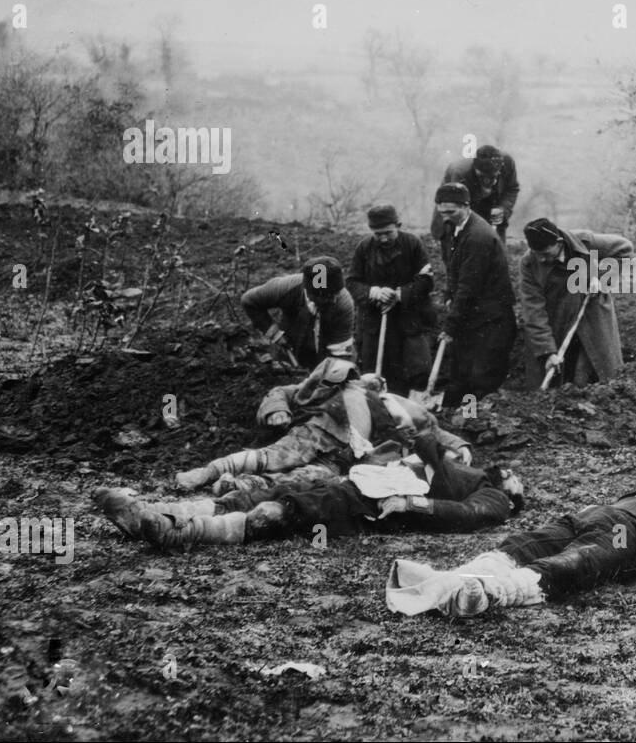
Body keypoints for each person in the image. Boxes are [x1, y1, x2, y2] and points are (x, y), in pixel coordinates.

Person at [385, 412, 636, 619]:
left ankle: (485, 594)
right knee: (523, 544)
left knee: (574, 563)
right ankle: (449, 582)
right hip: (603, 514)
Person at [94, 431, 524, 551]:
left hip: (369, 503)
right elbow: (428, 435)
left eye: (519, 484)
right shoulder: (458, 463)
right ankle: (149, 513)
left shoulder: (493, 495)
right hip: (358, 480)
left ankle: (181, 531)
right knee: (257, 495)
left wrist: (413, 502)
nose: (516, 477)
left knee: (279, 513)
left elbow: (470, 517)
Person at [173, 358, 470, 491]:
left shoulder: (399, 405)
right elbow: (283, 393)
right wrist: (277, 411)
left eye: (380, 381)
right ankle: (205, 473)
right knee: (271, 457)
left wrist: (458, 446)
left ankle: (239, 486)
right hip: (320, 430)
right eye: (370, 377)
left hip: (351, 458)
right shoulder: (337, 385)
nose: (377, 380)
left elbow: (433, 429)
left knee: (310, 479)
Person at [519, 217, 632, 387]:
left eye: (545, 254)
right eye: (537, 254)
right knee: (557, 383)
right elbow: (533, 310)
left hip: (593, 317)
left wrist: (601, 277)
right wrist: (547, 352)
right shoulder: (528, 263)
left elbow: (624, 249)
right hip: (558, 321)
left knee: (603, 377)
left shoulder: (585, 242)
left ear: (558, 243)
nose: (541, 259)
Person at [434, 182, 518, 405]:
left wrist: (450, 326)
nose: (445, 218)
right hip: (473, 315)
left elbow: (468, 286)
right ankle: (451, 419)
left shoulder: (478, 237)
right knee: (460, 373)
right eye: (441, 213)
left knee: (478, 378)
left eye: (451, 212)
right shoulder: (458, 227)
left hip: (492, 320)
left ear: (466, 206)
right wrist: (448, 295)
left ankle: (472, 423)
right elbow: (454, 269)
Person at [346, 204, 435, 393]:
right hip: (374, 321)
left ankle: (410, 409)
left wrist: (399, 294)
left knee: (416, 370)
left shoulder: (413, 244)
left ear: (399, 225)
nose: (383, 238)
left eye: (388, 232)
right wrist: (374, 292)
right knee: (372, 373)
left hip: (408, 319)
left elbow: (426, 280)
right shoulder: (364, 248)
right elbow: (353, 282)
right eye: (378, 234)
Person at [240, 255, 355, 369]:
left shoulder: (343, 303)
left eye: (336, 293)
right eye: (328, 296)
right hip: (290, 346)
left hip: (325, 351)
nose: (334, 299)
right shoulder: (286, 288)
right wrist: (274, 333)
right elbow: (249, 301)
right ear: (310, 293)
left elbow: (340, 351)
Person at [431, 145, 520, 244]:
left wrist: (502, 208)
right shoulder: (460, 173)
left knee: (497, 249)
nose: (488, 181)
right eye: (482, 176)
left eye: (493, 176)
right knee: (461, 249)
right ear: (475, 168)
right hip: (456, 209)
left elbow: (512, 188)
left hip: (492, 207)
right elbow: (459, 211)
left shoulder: (507, 163)